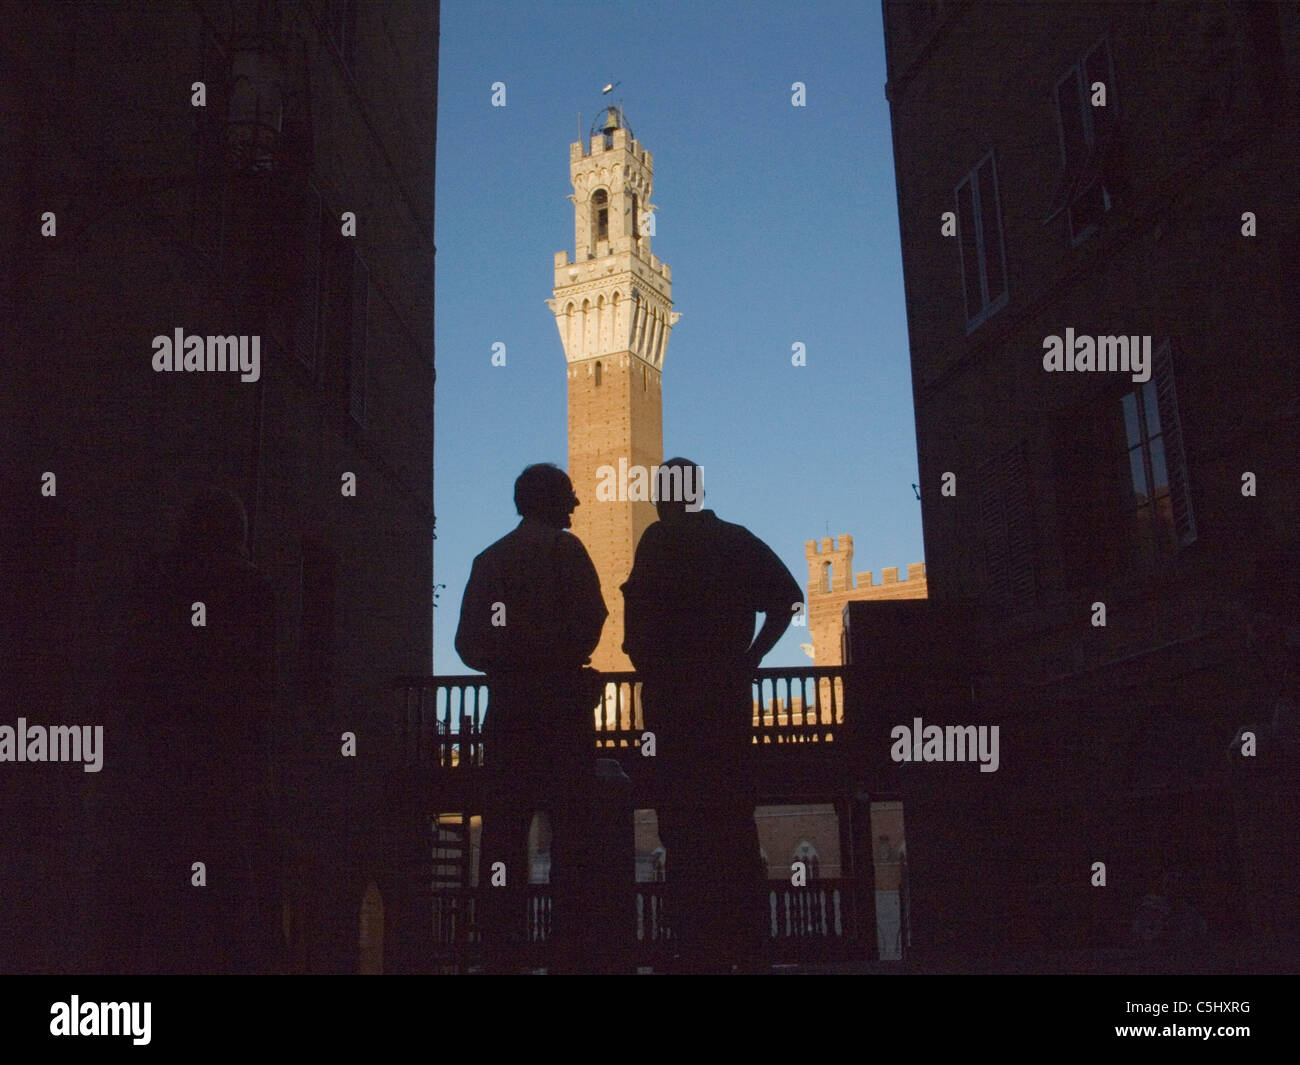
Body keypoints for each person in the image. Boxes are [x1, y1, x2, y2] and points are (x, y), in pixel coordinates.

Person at [621, 458, 802, 972]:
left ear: (668, 496)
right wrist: (750, 658)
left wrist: (652, 663)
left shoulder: (658, 541)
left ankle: (693, 947)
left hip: (673, 709)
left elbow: (636, 633)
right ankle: (747, 946)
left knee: (680, 826)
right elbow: (789, 600)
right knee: (732, 820)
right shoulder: (736, 539)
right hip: (724, 704)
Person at [107, 484, 280, 974]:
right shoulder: (249, 587)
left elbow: (129, 672)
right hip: (226, 764)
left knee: (167, 888)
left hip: (164, 762)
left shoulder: (156, 583)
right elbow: (261, 685)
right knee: (234, 888)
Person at [455, 464, 607, 972]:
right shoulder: (569, 554)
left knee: (501, 835)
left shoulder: (491, 560)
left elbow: (468, 645)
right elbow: (591, 623)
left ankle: (501, 953)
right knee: (574, 838)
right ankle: (572, 954)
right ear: (546, 501)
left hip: (510, 716)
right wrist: (555, 657)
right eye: (568, 495)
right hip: (564, 716)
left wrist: (512, 658)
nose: (577, 505)